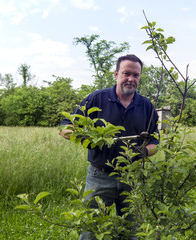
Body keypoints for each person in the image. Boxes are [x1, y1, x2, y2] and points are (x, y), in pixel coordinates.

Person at [59, 54, 159, 239]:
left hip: (131, 177)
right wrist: (84, 137)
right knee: (91, 231)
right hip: (100, 177)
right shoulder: (97, 99)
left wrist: (144, 151)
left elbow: (155, 142)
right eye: (126, 73)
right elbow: (65, 126)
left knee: (131, 231)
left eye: (135, 75)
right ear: (116, 74)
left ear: (139, 77)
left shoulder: (146, 106)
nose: (131, 79)